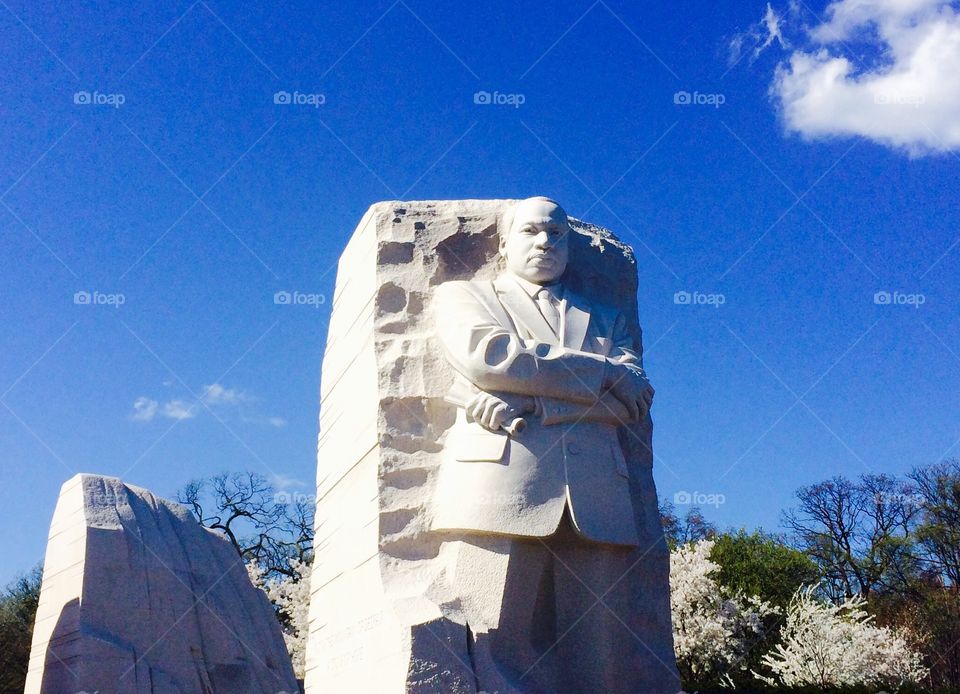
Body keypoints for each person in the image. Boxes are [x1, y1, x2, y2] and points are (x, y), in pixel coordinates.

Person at [430, 197, 680, 693]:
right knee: (489, 638)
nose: (545, 242)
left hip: (598, 496)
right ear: (504, 243)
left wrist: (544, 405)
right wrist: (602, 372)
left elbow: (633, 402)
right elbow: (496, 359)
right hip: (501, 482)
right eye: (531, 231)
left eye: (557, 234)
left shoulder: (608, 317)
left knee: (602, 658)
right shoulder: (466, 297)